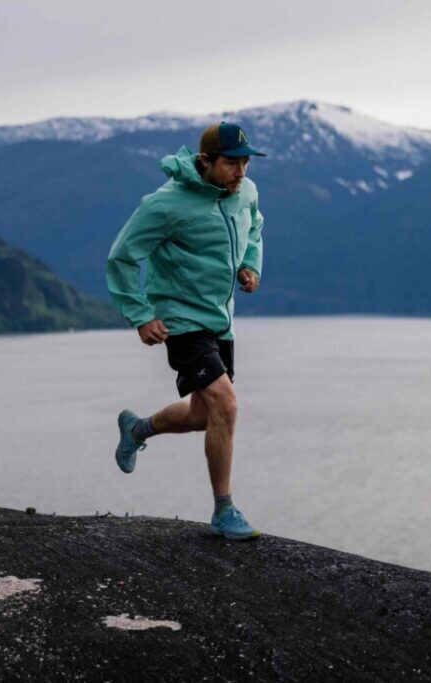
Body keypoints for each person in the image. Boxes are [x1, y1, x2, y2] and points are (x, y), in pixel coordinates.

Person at [105, 122, 266, 541]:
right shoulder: (166, 205)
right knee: (226, 404)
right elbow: (122, 256)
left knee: (203, 415)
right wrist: (141, 315)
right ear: (205, 161)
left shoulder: (245, 192)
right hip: (181, 321)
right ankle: (224, 510)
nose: (241, 172)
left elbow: (255, 227)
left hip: (220, 320)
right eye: (231, 163)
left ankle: (137, 429)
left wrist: (250, 264)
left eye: (246, 162)